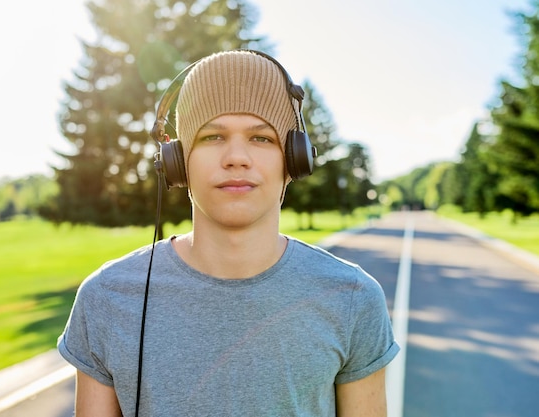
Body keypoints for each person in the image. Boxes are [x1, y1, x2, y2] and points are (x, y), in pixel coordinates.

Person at [57, 50, 399, 417]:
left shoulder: (353, 298)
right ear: (177, 162)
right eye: (212, 137)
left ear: (294, 159)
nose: (236, 157)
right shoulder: (106, 298)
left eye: (261, 139)